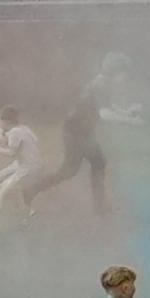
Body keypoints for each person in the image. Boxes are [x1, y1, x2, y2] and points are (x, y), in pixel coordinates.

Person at [23, 52, 140, 214]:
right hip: (76, 132)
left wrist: (126, 113)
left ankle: (31, 190)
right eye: (125, 73)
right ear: (116, 71)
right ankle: (100, 208)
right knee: (78, 168)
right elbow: (104, 113)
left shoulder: (103, 82)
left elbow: (108, 105)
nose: (126, 77)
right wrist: (128, 121)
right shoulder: (101, 85)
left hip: (81, 131)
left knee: (78, 168)